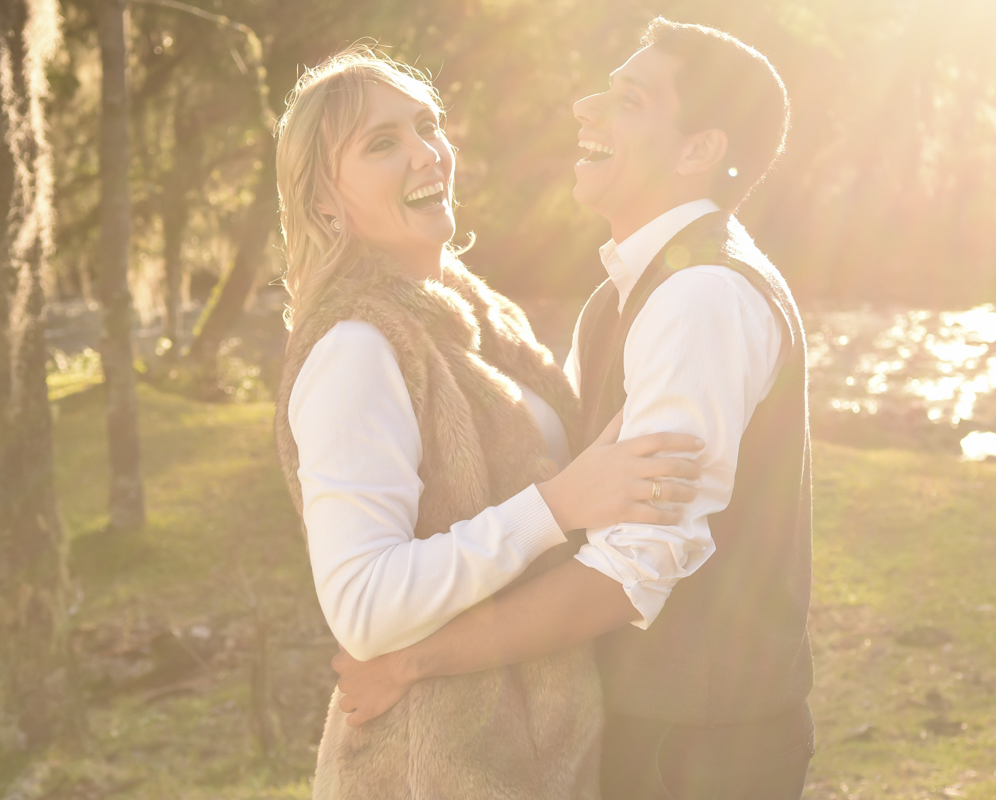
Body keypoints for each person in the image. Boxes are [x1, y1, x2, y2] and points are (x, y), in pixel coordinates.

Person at [334, 18, 816, 800]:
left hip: (697, 754)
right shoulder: (622, 297)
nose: (586, 107)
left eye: (628, 100)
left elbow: (629, 574)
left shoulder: (700, 297)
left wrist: (414, 660)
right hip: (651, 731)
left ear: (699, 150)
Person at [272, 47, 703, 799]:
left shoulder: (485, 320)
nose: (424, 154)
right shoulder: (356, 350)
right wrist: (561, 504)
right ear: (323, 205)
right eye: (381, 144)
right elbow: (365, 607)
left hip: (543, 760)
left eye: (426, 125)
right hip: (428, 773)